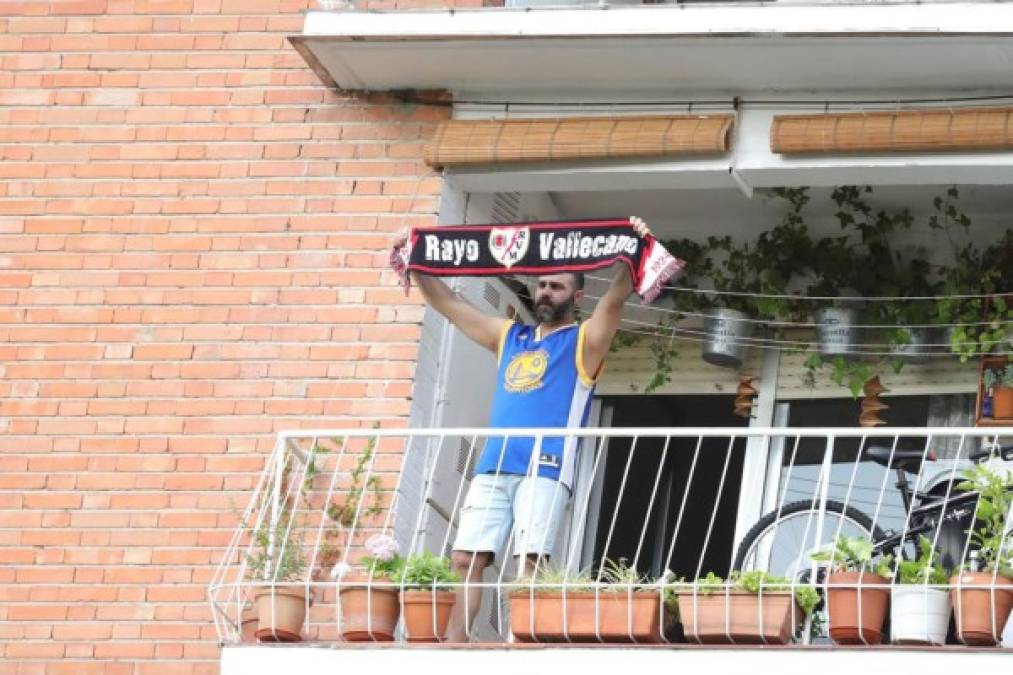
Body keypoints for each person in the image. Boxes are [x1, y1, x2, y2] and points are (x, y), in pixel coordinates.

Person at [391, 217, 651, 642]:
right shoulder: (508, 335)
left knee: (530, 562)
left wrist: (632, 249)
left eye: (557, 286)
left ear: (577, 295)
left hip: (546, 467)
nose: (546, 292)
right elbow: (452, 308)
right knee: (464, 558)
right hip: (494, 465)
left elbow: (615, 303)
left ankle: (521, 648)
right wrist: (416, 263)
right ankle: (456, 649)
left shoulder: (584, 341)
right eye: (542, 284)